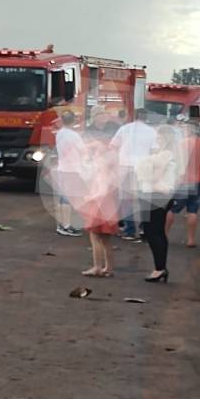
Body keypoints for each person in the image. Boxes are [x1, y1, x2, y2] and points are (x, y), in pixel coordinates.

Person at [166, 126, 200, 248]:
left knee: (171, 209)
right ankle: (191, 240)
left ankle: (164, 236)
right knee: (192, 211)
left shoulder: (182, 144)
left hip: (184, 182)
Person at [136, 126, 179, 283]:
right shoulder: (167, 154)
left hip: (156, 194)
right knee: (157, 231)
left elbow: (154, 176)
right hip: (160, 194)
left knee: (152, 231)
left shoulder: (165, 155)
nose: (157, 139)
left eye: (160, 137)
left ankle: (159, 268)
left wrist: (143, 170)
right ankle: (160, 267)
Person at [81, 106, 119, 277]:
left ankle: (97, 266)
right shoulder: (111, 162)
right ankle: (109, 267)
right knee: (106, 238)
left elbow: (101, 188)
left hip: (99, 202)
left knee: (95, 235)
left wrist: (89, 196)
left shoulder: (102, 166)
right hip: (109, 201)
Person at [110, 109, 157, 241]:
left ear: (134, 116)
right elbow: (154, 151)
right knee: (143, 200)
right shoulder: (152, 132)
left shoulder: (124, 129)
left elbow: (113, 146)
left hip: (125, 168)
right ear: (146, 117)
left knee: (126, 200)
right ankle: (144, 231)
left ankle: (129, 230)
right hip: (143, 169)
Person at [54, 110, 85, 237]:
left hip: (62, 168)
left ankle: (61, 224)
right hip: (72, 170)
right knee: (67, 199)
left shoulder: (59, 133)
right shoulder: (74, 136)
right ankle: (66, 226)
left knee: (62, 198)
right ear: (74, 120)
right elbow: (83, 151)